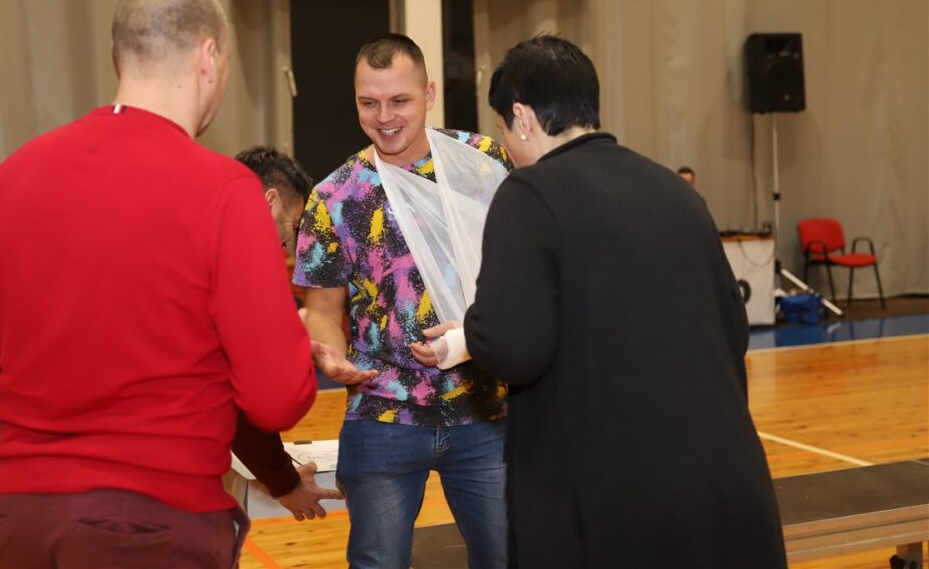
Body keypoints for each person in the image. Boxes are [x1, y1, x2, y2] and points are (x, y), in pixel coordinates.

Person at [0, 0, 316, 569]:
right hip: (151, 520)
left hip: (24, 518)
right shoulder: (225, 192)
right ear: (208, 58)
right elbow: (277, 399)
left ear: (117, 56)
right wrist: (294, 338)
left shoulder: (11, 176)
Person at [463, 36, 787, 568]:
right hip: (723, 485)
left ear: (522, 117)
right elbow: (734, 333)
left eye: (501, 128)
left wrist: (472, 331)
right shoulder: (676, 191)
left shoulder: (529, 194)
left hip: (614, 501)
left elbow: (515, 348)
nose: (506, 147)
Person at [294, 34, 511, 569]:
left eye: (399, 101)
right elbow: (323, 309)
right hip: (382, 411)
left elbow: (523, 274)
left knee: (509, 557)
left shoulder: (483, 163)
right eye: (369, 103)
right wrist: (330, 354)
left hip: (486, 408)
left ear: (429, 94)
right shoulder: (335, 196)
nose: (384, 117)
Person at [229, 146, 343, 521]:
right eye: (291, 228)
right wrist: (285, 483)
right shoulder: (232, 273)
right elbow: (252, 401)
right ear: (270, 201)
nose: (286, 247)